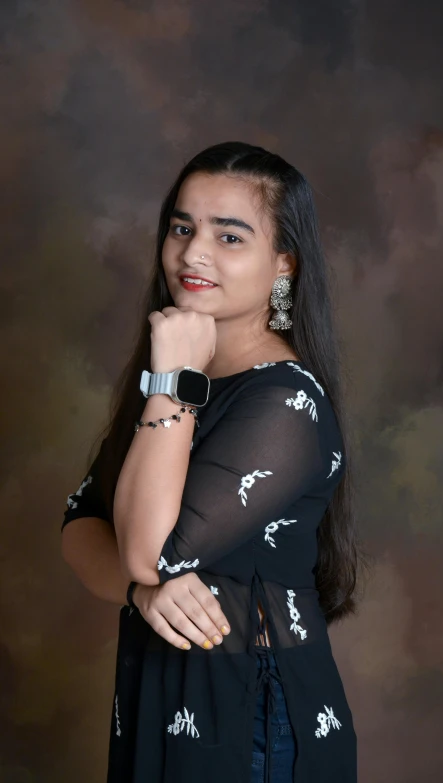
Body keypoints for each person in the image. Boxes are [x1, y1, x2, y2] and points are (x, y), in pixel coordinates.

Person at [61, 140, 362, 782]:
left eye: (230, 237)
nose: (193, 252)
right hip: (157, 701)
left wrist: (172, 378)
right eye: (182, 226)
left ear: (283, 266)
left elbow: (147, 550)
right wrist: (143, 593)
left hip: (249, 719)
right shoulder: (181, 375)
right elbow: (83, 523)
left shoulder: (285, 402)